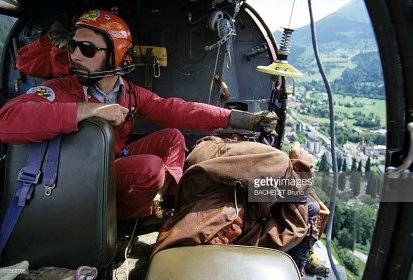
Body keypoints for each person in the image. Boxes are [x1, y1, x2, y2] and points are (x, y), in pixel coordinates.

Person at [0, 9, 277, 222]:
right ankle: (125, 218)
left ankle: (163, 201)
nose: (74, 56)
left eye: (86, 49)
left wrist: (240, 120)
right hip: (79, 179)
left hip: (112, 163)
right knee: (149, 168)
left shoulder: (129, 93)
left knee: (172, 138)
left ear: (116, 56)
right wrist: (89, 110)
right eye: (73, 46)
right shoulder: (59, 90)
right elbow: (7, 120)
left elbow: (180, 109)